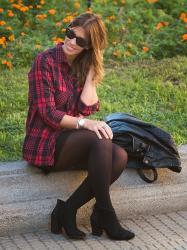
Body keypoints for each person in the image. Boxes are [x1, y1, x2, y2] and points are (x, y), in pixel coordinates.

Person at [23, 12, 135, 241]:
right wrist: (86, 123)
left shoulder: (83, 65)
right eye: (70, 34)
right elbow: (48, 114)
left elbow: (85, 108)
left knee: (120, 156)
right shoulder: (44, 61)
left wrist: (93, 71)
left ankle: (68, 209)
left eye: (81, 41)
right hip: (45, 143)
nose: (71, 42)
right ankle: (106, 214)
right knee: (99, 136)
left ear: (90, 47)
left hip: (73, 141)